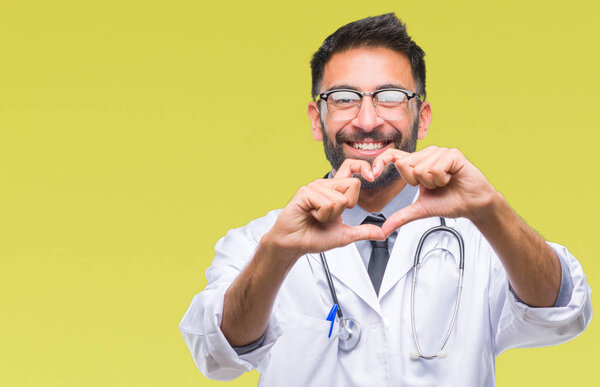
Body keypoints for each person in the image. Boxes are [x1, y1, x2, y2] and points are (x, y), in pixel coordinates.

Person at [179, 13, 592, 386]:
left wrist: (490, 209)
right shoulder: (261, 242)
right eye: (343, 98)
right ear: (316, 119)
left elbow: (562, 313)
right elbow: (216, 355)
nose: (367, 120)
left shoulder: (482, 238)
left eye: (390, 96)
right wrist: (278, 254)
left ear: (423, 117)